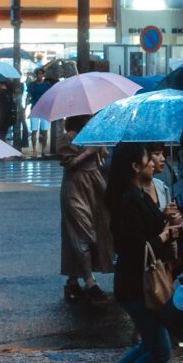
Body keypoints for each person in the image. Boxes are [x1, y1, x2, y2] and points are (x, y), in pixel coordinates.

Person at [88, 143, 182, 363]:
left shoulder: (138, 196)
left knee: (151, 346)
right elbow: (132, 249)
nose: (155, 161)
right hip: (136, 286)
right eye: (148, 156)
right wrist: (165, 233)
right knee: (159, 348)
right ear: (134, 166)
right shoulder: (128, 200)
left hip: (140, 285)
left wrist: (168, 221)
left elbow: (150, 231)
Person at [58, 128, 112, 305]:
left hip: (94, 186)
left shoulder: (96, 133)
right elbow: (69, 163)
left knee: (94, 230)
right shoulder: (68, 137)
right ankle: (90, 281)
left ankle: (72, 281)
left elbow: (104, 155)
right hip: (74, 187)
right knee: (82, 232)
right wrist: (90, 150)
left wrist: (101, 149)